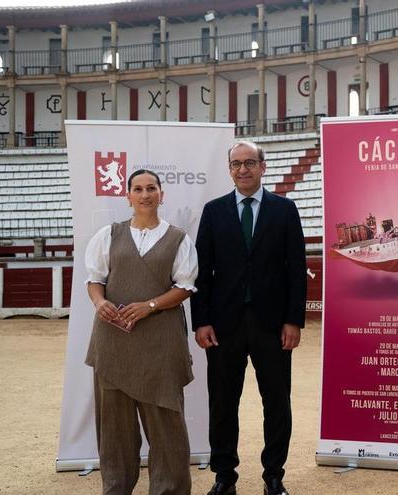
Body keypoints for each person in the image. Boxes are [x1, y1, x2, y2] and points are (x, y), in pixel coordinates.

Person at [192, 140, 307, 495]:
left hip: (272, 325)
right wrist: (201, 321)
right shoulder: (213, 211)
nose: (243, 169)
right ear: (229, 169)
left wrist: (293, 320)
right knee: (223, 403)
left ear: (263, 166)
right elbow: (202, 271)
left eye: (250, 163)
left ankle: (274, 475)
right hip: (223, 325)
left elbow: (296, 271)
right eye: (236, 163)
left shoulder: (285, 210)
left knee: (276, 401)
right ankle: (225, 476)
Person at [84, 169, 198, 495]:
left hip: (161, 343)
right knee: (115, 432)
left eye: (151, 188)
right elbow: (95, 280)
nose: (145, 194)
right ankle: (116, 488)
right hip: (113, 342)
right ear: (128, 196)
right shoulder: (108, 234)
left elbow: (185, 286)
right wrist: (99, 302)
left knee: (167, 427)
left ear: (162, 195)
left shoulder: (179, 239)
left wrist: (149, 306)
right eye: (138, 189)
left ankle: (170, 490)